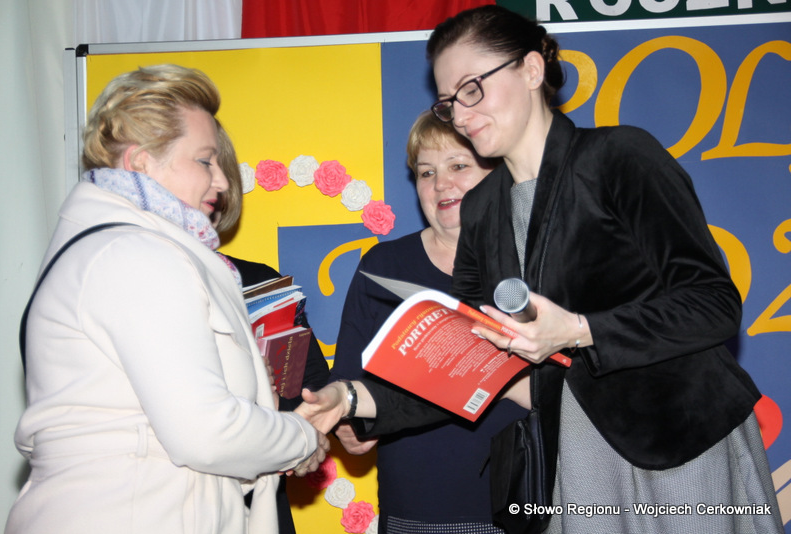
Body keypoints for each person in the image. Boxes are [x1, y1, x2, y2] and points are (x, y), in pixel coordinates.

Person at [296, 5, 783, 533]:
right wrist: (348, 398)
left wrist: (578, 330)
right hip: (574, 458)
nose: (460, 115)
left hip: (680, 442)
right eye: (448, 102)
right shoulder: (482, 210)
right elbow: (469, 364)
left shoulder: (619, 157)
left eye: (472, 89)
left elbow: (714, 304)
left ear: (531, 70)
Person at [6, 64, 328, 534]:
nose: (222, 181)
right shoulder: (136, 255)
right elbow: (206, 431)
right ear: (141, 162)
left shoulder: (124, 249)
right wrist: (302, 437)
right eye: (205, 161)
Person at [329, 111, 527, 534]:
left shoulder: (535, 264)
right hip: (413, 510)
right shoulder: (383, 266)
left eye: (458, 166)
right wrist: (349, 428)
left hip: (522, 507)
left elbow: (577, 393)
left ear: (498, 174)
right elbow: (346, 381)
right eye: (426, 172)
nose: (440, 184)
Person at [213, 120, 331, 534]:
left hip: (263, 503)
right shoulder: (139, 280)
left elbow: (312, 387)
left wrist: (297, 429)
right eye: (201, 164)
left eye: (219, 167)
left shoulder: (261, 281)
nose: (213, 182)